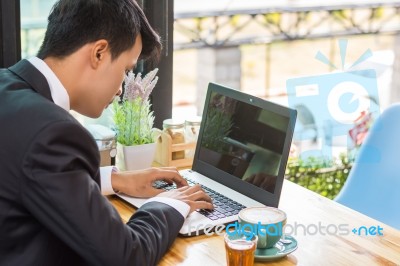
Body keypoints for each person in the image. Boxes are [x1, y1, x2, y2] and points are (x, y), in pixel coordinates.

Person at [0, 0, 213, 265]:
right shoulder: (52, 133)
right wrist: (170, 205)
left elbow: (22, 171)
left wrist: (114, 180)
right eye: (125, 70)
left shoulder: (7, 87)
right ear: (99, 53)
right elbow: (125, 256)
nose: (122, 89)